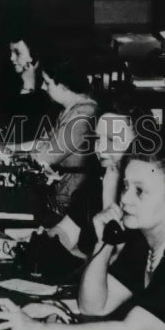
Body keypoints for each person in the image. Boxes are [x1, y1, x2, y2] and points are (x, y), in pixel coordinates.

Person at [0, 134, 165, 330]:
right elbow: (94, 306)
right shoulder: (143, 241)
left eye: (140, 191)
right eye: (125, 186)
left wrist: (35, 329)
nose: (125, 198)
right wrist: (104, 241)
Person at [0, 57, 98, 218]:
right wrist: (3, 147)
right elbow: (42, 142)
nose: (43, 87)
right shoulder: (70, 111)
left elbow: (45, 157)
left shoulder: (82, 117)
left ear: (63, 86)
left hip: (69, 205)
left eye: (47, 83)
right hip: (59, 197)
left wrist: (4, 154)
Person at [47, 96, 155, 258]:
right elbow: (66, 231)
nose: (100, 148)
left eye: (111, 139)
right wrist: (46, 240)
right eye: (98, 138)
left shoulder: (147, 196)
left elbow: (119, 262)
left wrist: (109, 197)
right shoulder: (98, 181)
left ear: (140, 143)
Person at [0, 30, 60, 146]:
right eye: (11, 52)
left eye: (17, 53)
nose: (12, 57)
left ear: (34, 57)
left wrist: (28, 87)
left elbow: (22, 133)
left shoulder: (51, 88)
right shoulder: (17, 81)